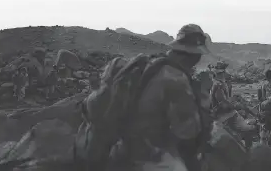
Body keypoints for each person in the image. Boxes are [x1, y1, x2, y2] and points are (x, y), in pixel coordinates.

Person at [101, 24, 211, 171]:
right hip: (148, 152)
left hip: (122, 142)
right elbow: (187, 131)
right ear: (193, 56)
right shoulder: (175, 78)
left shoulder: (152, 65)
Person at [210, 61, 256, 150]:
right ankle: (248, 151)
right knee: (249, 129)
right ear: (221, 73)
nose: (225, 73)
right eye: (223, 72)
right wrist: (236, 105)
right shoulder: (218, 85)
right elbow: (223, 104)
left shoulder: (221, 83)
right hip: (225, 116)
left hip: (228, 114)